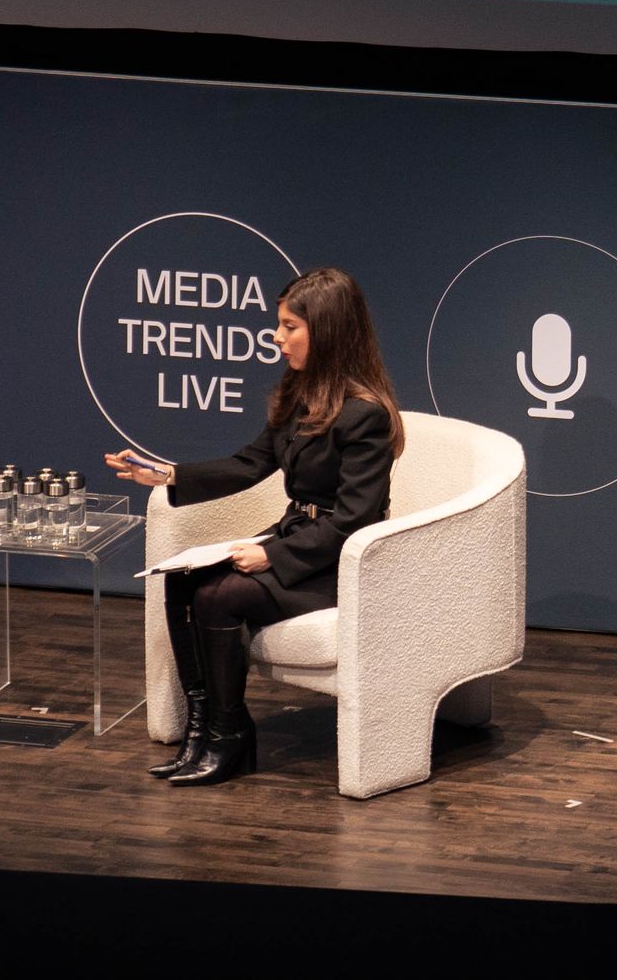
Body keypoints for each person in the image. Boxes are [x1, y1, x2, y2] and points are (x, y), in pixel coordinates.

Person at [106, 267, 403, 786]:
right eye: (279, 325)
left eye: (290, 327)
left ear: (327, 331)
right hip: (295, 539)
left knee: (219, 597)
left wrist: (274, 557)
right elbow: (250, 463)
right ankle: (202, 732)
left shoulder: (365, 416)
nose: (277, 337)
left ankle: (231, 735)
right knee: (182, 579)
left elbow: (355, 518)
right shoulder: (300, 392)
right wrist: (170, 474)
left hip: (338, 564)